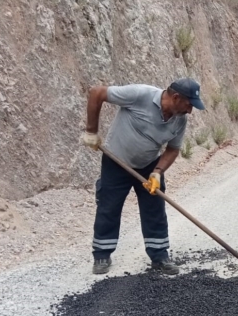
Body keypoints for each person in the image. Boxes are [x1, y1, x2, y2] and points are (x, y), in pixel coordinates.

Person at [80, 78, 205, 275]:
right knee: (109, 206)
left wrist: (157, 172)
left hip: (149, 165)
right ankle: (102, 254)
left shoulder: (180, 120)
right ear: (175, 97)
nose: (190, 111)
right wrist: (91, 131)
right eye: (189, 105)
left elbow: (173, 149)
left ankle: (159, 256)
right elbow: (97, 93)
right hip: (116, 161)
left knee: (154, 210)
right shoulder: (140, 95)